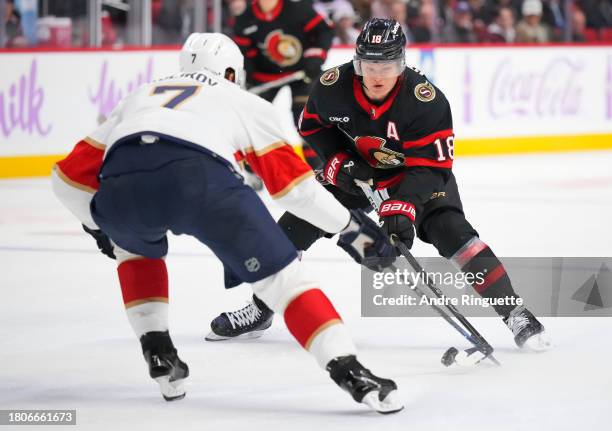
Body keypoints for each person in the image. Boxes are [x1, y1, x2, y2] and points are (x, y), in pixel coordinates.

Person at [51, 32, 402, 414]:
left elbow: (66, 180)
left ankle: (159, 353)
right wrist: (351, 228)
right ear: (232, 72)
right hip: (202, 180)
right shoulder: (241, 99)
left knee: (133, 251)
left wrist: (99, 225)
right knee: (284, 282)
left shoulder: (140, 95)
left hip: (123, 181)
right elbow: (295, 190)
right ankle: (352, 373)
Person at [211, 19, 552, 353]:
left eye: (386, 65)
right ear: (357, 62)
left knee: (452, 231)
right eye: (368, 64)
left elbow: (432, 168)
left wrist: (403, 206)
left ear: (401, 64)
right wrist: (335, 160)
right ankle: (262, 307)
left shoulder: (426, 100)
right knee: (298, 219)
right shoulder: (333, 86)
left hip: (414, 178)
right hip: (357, 174)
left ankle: (516, 313)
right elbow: (312, 127)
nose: (376, 75)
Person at [232, 0, 334, 168]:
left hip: (303, 73)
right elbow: (245, 55)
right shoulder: (245, 19)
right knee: (252, 124)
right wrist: (246, 79)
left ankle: (320, 171)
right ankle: (251, 170)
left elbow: (323, 31)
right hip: (264, 78)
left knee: (307, 120)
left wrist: (315, 57)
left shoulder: (297, 9)